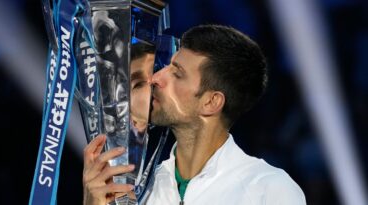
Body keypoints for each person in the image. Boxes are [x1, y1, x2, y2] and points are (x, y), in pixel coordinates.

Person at [82, 24, 306, 205]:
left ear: (211, 102)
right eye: (167, 67)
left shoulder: (269, 190)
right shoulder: (141, 188)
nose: (156, 78)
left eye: (177, 74)